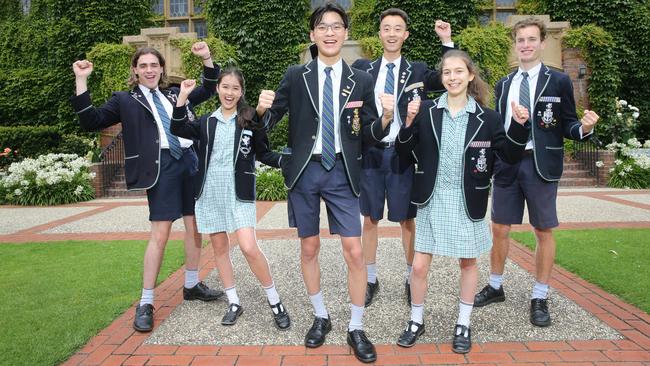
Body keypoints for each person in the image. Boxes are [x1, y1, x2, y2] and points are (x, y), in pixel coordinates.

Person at [254, 3, 392, 363]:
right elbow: (267, 127)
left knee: (355, 250)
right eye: (322, 27)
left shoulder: (360, 80)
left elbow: (372, 134)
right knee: (310, 248)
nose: (330, 33)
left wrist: (389, 116)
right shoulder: (295, 76)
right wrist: (261, 112)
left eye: (336, 26)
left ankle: (356, 326)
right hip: (304, 172)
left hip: (343, 171)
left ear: (345, 34)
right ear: (313, 35)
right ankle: (320, 316)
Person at [70, 42, 224, 333]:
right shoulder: (124, 100)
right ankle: (146, 301)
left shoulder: (176, 93)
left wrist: (206, 57)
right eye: (143, 66)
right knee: (161, 234)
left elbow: (209, 87)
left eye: (154, 65)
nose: (150, 70)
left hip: (190, 163)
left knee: (195, 226)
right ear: (135, 70)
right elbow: (91, 120)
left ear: (162, 68)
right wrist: (81, 79)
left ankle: (191, 284)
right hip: (160, 168)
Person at [394, 50, 529, 353]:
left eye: (458, 72)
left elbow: (509, 156)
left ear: (470, 75)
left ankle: (463, 323)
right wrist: (408, 122)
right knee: (417, 267)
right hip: (432, 198)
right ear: (441, 79)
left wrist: (520, 125)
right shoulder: (427, 110)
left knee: (468, 263)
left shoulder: (488, 118)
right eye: (446, 73)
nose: (452, 78)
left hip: (469, 200)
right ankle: (416, 320)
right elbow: (403, 152)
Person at [473, 17, 599, 327]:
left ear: (542, 43)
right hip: (507, 164)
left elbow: (568, 123)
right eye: (520, 40)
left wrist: (583, 128)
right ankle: (496, 286)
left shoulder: (558, 82)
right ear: (515, 45)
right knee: (499, 228)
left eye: (531, 39)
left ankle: (540, 295)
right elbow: (500, 127)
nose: (526, 45)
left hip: (540, 163)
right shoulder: (504, 84)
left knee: (543, 230)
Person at [170, 68, 290, 330]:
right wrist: (182, 97)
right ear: (217, 89)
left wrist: (286, 160)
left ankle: (275, 300)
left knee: (248, 246)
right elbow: (177, 126)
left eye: (235, 88)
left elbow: (263, 153)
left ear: (241, 92)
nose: (229, 93)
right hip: (210, 191)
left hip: (239, 191)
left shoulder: (249, 119)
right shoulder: (206, 122)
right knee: (220, 248)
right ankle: (234, 301)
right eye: (225, 87)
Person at [351, 8, 454, 307]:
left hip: (403, 153)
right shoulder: (362, 69)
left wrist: (446, 41)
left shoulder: (418, 70)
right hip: (371, 152)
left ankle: (412, 278)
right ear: (380, 33)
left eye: (398, 28)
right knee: (369, 220)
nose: (392, 33)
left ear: (405, 34)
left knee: (407, 220)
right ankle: (370, 278)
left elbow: (445, 79)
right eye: (387, 28)